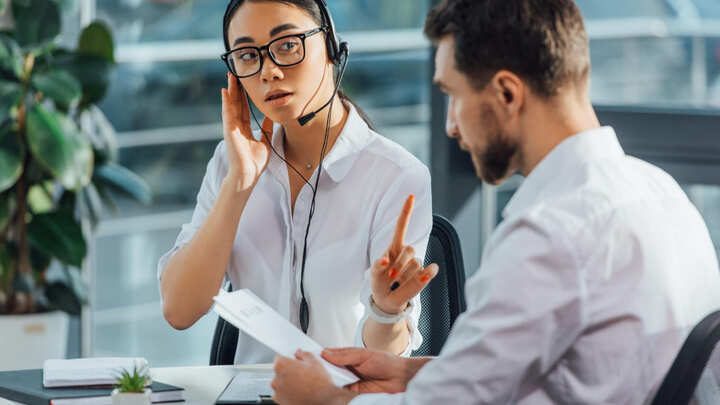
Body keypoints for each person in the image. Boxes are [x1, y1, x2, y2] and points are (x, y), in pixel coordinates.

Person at [270, 0, 720, 403]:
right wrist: (408, 371)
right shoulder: (662, 192)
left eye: (452, 95)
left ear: (506, 94)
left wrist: (328, 400)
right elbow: (574, 369)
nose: (450, 125)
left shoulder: (550, 234)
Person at [157, 0, 439, 364]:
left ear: (331, 47)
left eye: (288, 45)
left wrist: (386, 310)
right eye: (246, 55)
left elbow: (384, 359)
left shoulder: (396, 176)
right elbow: (179, 311)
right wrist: (240, 183)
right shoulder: (229, 164)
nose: (268, 71)